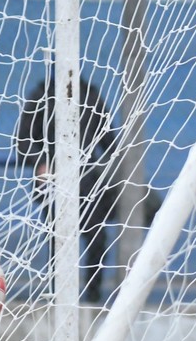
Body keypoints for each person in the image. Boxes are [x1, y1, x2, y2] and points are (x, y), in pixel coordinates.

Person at [15, 74, 122, 304]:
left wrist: (107, 174)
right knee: (59, 240)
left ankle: (93, 298)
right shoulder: (42, 95)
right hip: (53, 182)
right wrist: (41, 162)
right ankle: (59, 297)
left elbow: (110, 143)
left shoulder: (91, 95)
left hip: (89, 184)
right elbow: (23, 142)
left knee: (97, 237)